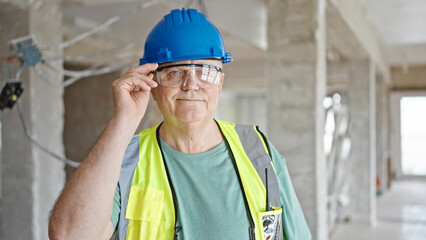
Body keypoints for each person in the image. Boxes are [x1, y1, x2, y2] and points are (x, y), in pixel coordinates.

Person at [48, 8, 311, 240]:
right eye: (175, 72)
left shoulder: (258, 152)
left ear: (220, 82)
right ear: (151, 83)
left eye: (205, 72)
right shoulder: (126, 160)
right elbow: (69, 235)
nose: (191, 85)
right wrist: (123, 121)